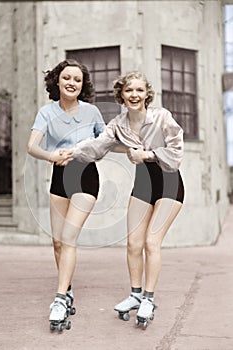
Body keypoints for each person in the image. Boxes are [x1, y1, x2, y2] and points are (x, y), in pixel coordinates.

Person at [70, 71, 185, 328]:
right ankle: (135, 295)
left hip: (169, 182)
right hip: (143, 184)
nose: (134, 95)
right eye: (129, 90)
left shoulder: (162, 117)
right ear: (121, 95)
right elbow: (97, 146)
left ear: (147, 94)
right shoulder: (118, 125)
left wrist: (147, 154)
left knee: (151, 242)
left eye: (139, 90)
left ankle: (149, 298)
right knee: (133, 243)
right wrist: (72, 151)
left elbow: (177, 153)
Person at [27, 59, 106, 327]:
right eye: (67, 78)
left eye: (77, 80)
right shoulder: (46, 112)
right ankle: (68, 289)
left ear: (82, 86)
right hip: (59, 176)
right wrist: (52, 155)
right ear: (57, 81)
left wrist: (85, 148)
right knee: (58, 242)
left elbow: (104, 142)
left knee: (69, 238)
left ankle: (59, 299)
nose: (72, 83)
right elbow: (32, 146)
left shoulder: (92, 112)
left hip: (86, 175)